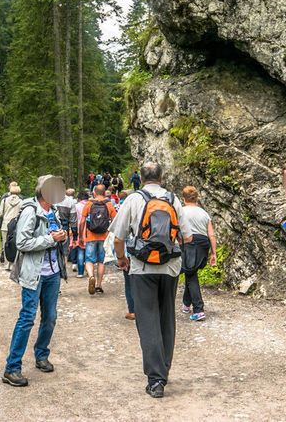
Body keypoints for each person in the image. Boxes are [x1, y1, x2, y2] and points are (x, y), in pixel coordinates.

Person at [111, 161, 185, 399]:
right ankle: (164, 368)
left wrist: (122, 259)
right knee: (167, 318)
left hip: (142, 267)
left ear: (141, 178)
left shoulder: (133, 200)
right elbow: (188, 235)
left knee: (147, 320)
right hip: (170, 267)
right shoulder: (173, 200)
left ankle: (156, 380)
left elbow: (118, 237)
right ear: (161, 177)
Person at [2, 175, 68, 387]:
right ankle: (11, 368)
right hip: (34, 273)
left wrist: (61, 236)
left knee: (50, 317)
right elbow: (22, 242)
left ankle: (41, 355)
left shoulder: (53, 211)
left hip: (52, 272)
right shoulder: (30, 210)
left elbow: (52, 237)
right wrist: (51, 239)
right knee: (27, 318)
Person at [179, 186, 217, 321]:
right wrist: (214, 253)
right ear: (197, 198)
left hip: (188, 243)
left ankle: (199, 309)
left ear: (183, 198)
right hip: (203, 244)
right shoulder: (204, 213)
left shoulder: (181, 212)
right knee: (191, 272)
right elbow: (211, 235)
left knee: (189, 272)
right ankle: (186, 304)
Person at [80, 183, 117, 295]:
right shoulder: (109, 204)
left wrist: (81, 236)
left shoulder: (89, 204)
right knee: (101, 261)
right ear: (105, 193)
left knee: (89, 260)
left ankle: (91, 276)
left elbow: (82, 221)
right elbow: (115, 221)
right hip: (104, 237)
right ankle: (99, 285)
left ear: (94, 192)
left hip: (90, 235)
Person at [0, 182, 23, 263]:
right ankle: (15, 263)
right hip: (16, 225)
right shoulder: (21, 201)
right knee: (15, 243)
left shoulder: (4, 200)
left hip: (5, 225)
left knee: (5, 243)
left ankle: (6, 264)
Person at [70, 190, 90, 277]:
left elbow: (72, 219)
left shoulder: (75, 206)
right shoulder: (90, 205)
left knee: (80, 250)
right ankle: (89, 270)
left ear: (79, 198)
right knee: (89, 251)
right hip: (89, 230)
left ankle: (80, 272)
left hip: (78, 229)